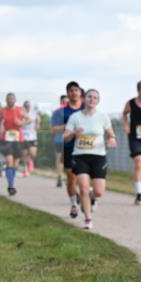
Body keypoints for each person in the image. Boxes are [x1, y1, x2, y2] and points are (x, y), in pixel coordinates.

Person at [63, 88, 116, 230]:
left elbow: (110, 132)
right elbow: (65, 137)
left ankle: (92, 197)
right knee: (83, 188)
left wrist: (111, 138)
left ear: (98, 101)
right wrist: (74, 133)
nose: (92, 100)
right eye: (89, 97)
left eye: (95, 98)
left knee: (99, 191)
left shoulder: (103, 116)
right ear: (84, 99)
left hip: (98, 156)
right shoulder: (75, 117)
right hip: (80, 156)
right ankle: (88, 218)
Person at [52, 82, 85, 218]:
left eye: (76, 90)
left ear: (80, 92)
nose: (73, 93)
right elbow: (53, 129)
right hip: (68, 147)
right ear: (67, 93)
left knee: (86, 177)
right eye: (70, 91)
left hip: (86, 146)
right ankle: (73, 205)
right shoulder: (60, 111)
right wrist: (69, 126)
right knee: (71, 177)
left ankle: (88, 195)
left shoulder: (87, 107)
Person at [0, 93, 30, 196]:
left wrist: (21, 123)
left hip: (18, 138)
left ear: (15, 100)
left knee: (15, 163)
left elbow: (29, 119)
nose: (11, 100)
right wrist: (0, 129)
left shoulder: (20, 109)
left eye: (12, 99)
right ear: (6, 100)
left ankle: (11, 183)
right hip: (7, 138)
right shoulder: (3, 110)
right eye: (9, 99)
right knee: (9, 161)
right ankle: (11, 186)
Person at [50, 94, 67, 187]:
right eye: (64, 101)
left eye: (67, 101)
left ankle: (69, 177)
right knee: (59, 158)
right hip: (60, 139)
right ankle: (59, 177)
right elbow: (52, 128)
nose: (66, 103)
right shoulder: (57, 112)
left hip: (71, 139)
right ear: (61, 102)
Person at [20, 99, 40, 177]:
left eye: (28, 106)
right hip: (23, 135)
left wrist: (37, 125)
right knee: (25, 154)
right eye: (26, 106)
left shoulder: (34, 113)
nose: (27, 107)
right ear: (23, 107)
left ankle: (30, 162)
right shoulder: (21, 114)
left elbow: (37, 123)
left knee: (33, 153)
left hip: (32, 136)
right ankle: (25, 170)